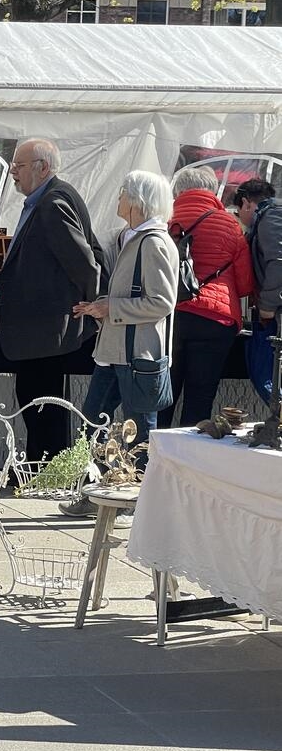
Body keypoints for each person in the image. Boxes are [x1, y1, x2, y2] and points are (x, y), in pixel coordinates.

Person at [68, 171, 176, 503]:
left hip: (138, 355)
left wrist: (110, 308)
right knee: (90, 425)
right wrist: (103, 306)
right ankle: (92, 494)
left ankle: (138, 502)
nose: (118, 198)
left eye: (123, 192)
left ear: (138, 200)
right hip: (115, 352)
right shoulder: (129, 237)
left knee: (139, 435)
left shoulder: (154, 242)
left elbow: (161, 302)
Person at [0, 138, 104, 461]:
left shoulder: (53, 203)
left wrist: (91, 304)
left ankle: (47, 471)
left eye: (19, 165)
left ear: (42, 168)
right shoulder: (45, 199)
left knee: (42, 401)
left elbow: (86, 263)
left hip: (47, 331)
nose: (13, 171)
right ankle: (41, 468)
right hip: (39, 330)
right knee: (36, 398)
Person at [158, 166, 254, 428]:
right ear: (213, 190)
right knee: (200, 400)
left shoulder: (162, 220)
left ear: (177, 190)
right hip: (215, 321)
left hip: (169, 317)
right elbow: (245, 285)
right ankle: (190, 464)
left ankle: (151, 463)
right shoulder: (229, 224)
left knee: (163, 396)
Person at [236, 178, 281, 401]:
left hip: (274, 314)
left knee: (265, 374)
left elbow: (278, 261)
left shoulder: (271, 216)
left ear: (246, 203)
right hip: (272, 313)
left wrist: (267, 306)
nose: (240, 218)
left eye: (238, 211)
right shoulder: (269, 216)